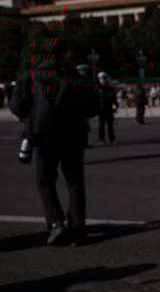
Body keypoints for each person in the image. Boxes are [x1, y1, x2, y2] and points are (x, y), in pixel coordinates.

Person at [10, 38, 98, 245]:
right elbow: (92, 106)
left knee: (45, 181)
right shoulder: (74, 75)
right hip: (73, 135)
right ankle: (77, 230)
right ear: (65, 54)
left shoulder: (32, 76)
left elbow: (18, 107)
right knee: (75, 183)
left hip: (43, 135)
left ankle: (56, 223)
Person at [96, 71, 117, 145]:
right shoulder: (97, 89)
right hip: (101, 110)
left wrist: (115, 107)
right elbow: (95, 100)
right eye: (101, 78)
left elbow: (114, 100)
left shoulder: (110, 88)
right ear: (99, 79)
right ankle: (101, 140)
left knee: (110, 126)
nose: (103, 80)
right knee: (101, 125)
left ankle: (112, 139)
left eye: (104, 78)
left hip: (109, 110)